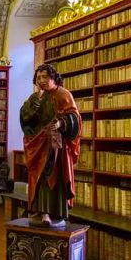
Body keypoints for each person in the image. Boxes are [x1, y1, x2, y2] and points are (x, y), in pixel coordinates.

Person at [20, 64, 81, 227]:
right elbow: (25, 119)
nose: (41, 81)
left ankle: (54, 213)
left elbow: (74, 117)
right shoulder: (36, 97)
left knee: (51, 177)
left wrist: (62, 122)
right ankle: (39, 211)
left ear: (53, 78)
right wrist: (34, 105)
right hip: (38, 145)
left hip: (56, 146)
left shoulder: (63, 94)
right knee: (38, 178)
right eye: (38, 78)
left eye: (45, 77)